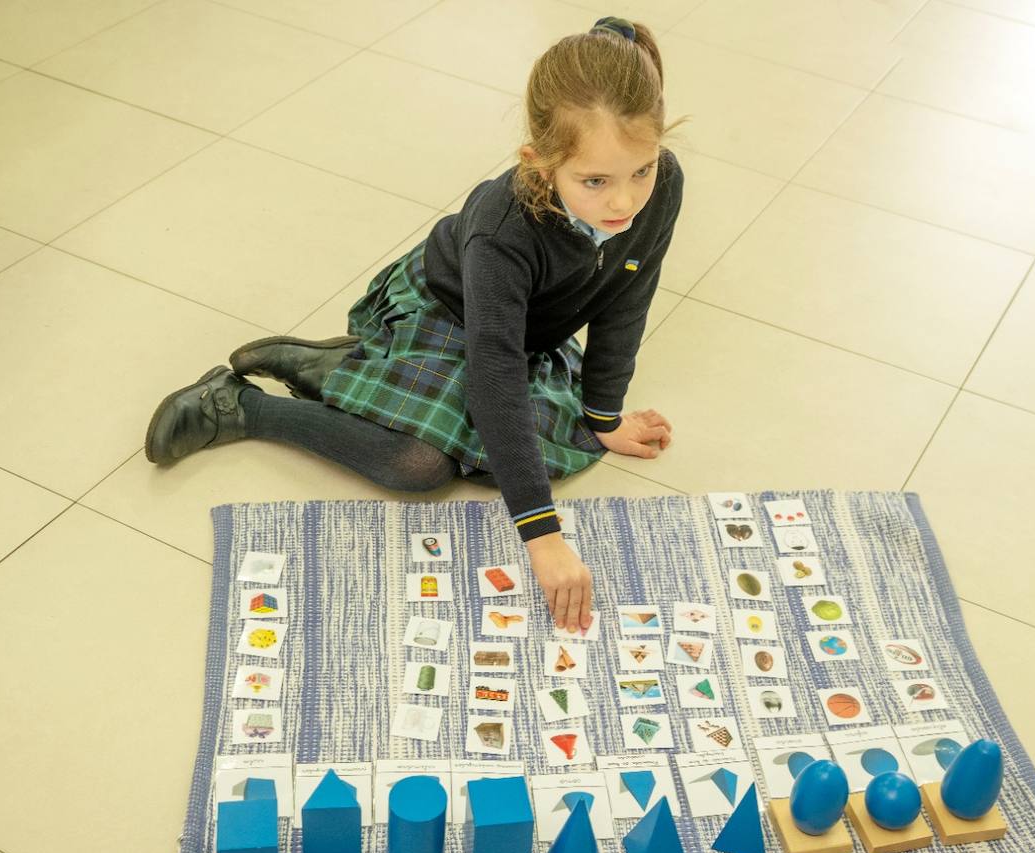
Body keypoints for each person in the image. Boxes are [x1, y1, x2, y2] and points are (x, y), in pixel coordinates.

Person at [145, 16, 685, 637]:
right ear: (539, 165)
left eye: (640, 171)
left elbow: (626, 300)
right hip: (448, 309)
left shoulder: (662, 186)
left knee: (509, 457)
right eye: (595, 181)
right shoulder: (501, 230)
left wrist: (603, 415)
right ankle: (238, 405)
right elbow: (494, 372)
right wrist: (541, 535)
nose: (624, 202)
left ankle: (335, 370)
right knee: (419, 466)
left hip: (521, 334)